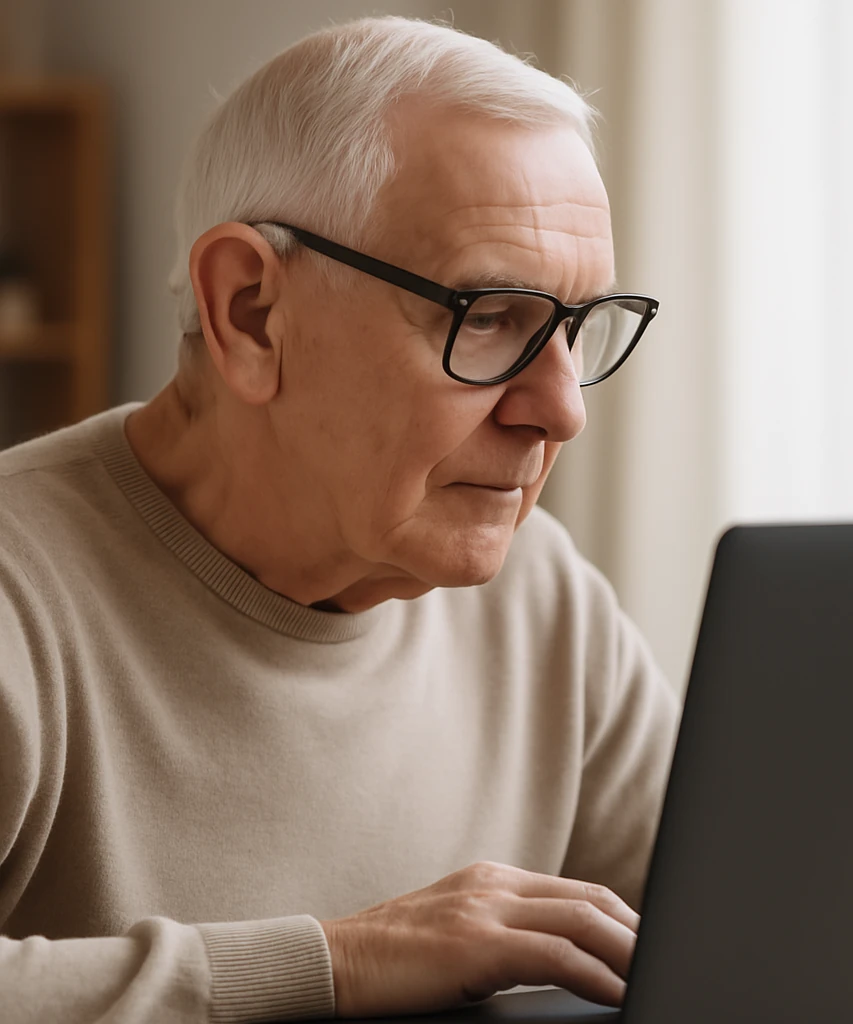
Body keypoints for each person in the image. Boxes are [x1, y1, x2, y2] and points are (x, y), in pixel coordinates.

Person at [0, 16, 679, 1024]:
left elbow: (737, 932)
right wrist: (338, 962)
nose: (562, 407)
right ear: (251, 313)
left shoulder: (545, 602)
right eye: (488, 317)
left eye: (576, 329)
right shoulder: (22, 592)